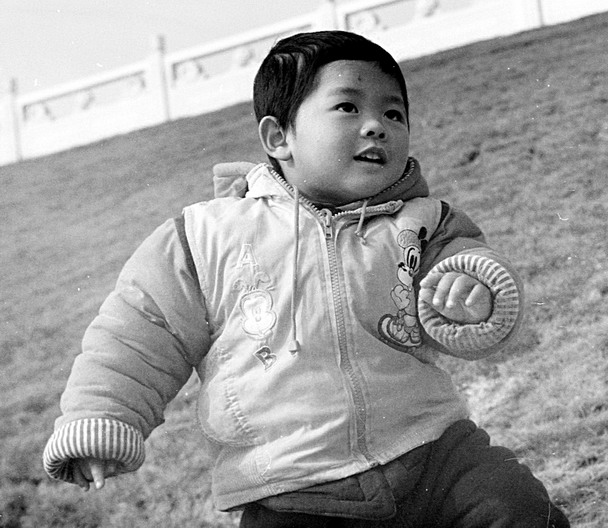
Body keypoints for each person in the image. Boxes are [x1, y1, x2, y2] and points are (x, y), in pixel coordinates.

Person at [42, 30, 570, 527]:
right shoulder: (206, 236)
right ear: (279, 137)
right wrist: (102, 416)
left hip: (432, 451)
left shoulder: (420, 223)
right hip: (290, 482)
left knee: (516, 505)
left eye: (394, 112)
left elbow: (476, 280)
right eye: (347, 107)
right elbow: (138, 331)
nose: (376, 125)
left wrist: (474, 294)